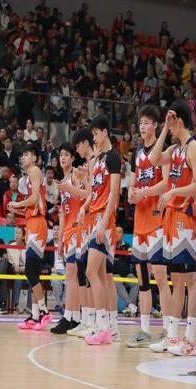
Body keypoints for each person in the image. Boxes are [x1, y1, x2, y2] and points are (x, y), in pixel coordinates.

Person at [149, 100, 196, 356]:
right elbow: (153, 159)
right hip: (171, 216)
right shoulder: (175, 148)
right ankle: (172, 336)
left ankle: (189, 339)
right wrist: (162, 129)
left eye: (170, 124)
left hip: (185, 216)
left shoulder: (193, 147)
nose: (169, 128)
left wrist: (173, 192)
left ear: (178, 121)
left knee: (188, 279)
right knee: (177, 279)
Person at [126, 105, 172, 349]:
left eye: (147, 123)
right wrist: (132, 194)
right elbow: (133, 184)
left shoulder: (162, 150)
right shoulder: (137, 152)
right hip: (140, 222)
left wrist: (144, 192)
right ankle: (144, 330)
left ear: (155, 125)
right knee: (142, 279)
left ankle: (168, 330)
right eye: (141, 123)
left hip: (157, 220)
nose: (143, 126)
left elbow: (166, 183)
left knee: (161, 277)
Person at [79, 116, 121, 345]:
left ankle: (103, 327)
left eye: (96, 134)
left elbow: (113, 193)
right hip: (95, 216)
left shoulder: (113, 157)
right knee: (102, 276)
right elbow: (95, 191)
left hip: (103, 219)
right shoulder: (101, 158)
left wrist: (103, 223)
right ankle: (108, 327)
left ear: (105, 132)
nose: (94, 138)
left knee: (91, 272)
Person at [8, 144, 52, 330]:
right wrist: (17, 210)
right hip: (32, 223)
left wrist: (17, 204)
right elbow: (33, 204)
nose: (24, 157)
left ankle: (44, 312)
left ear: (34, 158)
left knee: (30, 270)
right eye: (23, 155)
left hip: (38, 224)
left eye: (27, 154)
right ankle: (35, 316)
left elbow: (34, 199)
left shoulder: (34, 170)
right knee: (32, 272)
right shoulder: (27, 177)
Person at [50, 143, 84, 334]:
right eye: (60, 154)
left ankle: (70, 317)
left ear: (72, 158)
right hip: (69, 232)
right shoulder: (62, 181)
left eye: (66, 155)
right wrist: (61, 240)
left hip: (79, 230)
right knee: (71, 277)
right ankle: (74, 318)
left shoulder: (76, 175)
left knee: (73, 276)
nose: (62, 157)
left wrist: (70, 188)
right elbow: (62, 214)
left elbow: (85, 197)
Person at [66, 128, 95, 338]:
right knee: (84, 273)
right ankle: (87, 320)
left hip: (94, 222)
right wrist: (80, 181)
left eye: (77, 145)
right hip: (84, 223)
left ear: (86, 143)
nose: (77, 150)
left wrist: (76, 185)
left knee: (94, 274)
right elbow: (88, 193)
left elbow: (92, 194)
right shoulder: (88, 164)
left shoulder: (95, 162)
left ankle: (97, 322)